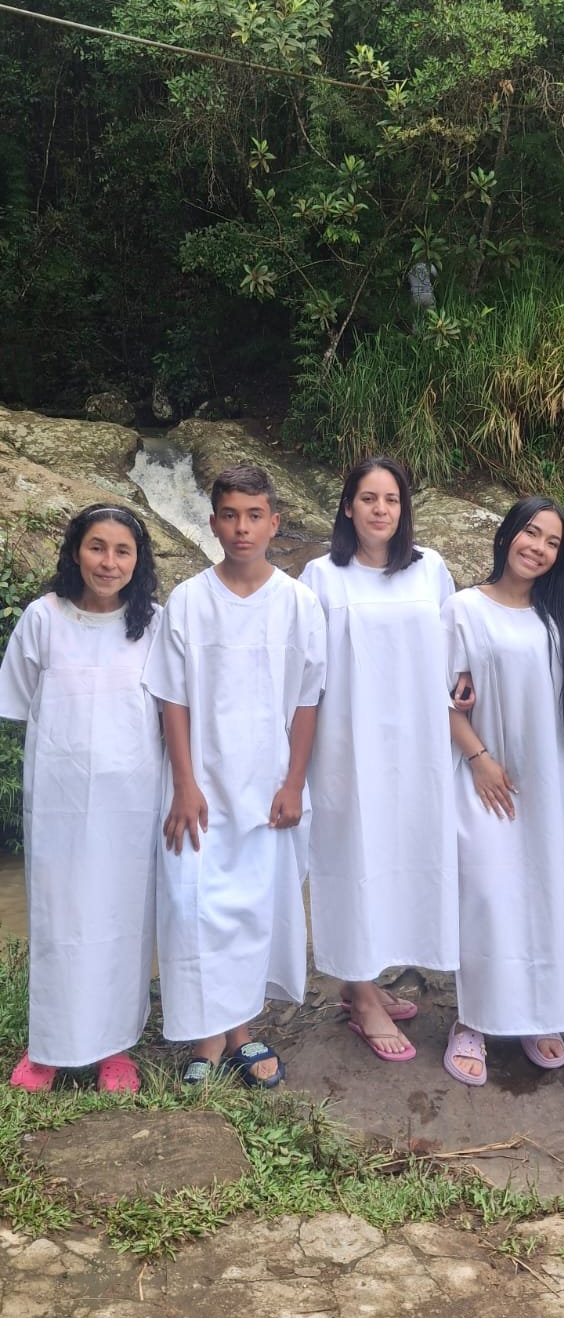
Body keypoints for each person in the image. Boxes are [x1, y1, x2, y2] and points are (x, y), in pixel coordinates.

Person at [142, 464, 326, 1087]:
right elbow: (173, 699)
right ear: (213, 522)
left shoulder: (298, 604)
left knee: (253, 907)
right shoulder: (189, 601)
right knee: (194, 904)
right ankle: (205, 1037)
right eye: (229, 515)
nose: (242, 527)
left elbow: (308, 700)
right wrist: (184, 783)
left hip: (269, 782)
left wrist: (294, 782)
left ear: (275, 523)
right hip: (198, 784)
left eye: (254, 516)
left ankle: (242, 1031)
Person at [301, 456, 459, 1062]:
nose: (380, 509)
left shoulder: (430, 569)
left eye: (391, 499)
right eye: (368, 498)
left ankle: (364, 976)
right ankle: (362, 993)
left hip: (417, 743)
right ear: (348, 507)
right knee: (353, 855)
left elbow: (452, 649)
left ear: (404, 509)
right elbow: (306, 669)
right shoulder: (322, 576)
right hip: (348, 742)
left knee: (407, 851)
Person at [0, 504, 162, 1093]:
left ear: (138, 561)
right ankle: (47, 1047)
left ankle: (115, 1048)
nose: (108, 562)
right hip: (59, 800)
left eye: (122, 551)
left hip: (132, 801)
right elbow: (22, 703)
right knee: (59, 917)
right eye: (97, 547)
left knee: (121, 918)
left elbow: (172, 711)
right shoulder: (44, 618)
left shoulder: (155, 625)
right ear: (75, 552)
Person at [442, 496, 564, 1084]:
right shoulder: (463, 609)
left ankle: (542, 1014)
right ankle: (472, 1020)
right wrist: (478, 759)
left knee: (551, 892)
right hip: (489, 776)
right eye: (531, 533)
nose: (539, 548)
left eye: (553, 542)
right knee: (488, 893)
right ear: (507, 535)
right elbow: (441, 699)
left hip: (558, 779)